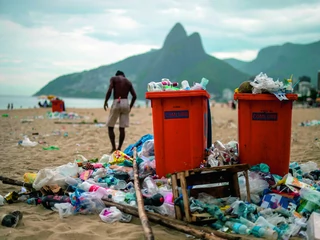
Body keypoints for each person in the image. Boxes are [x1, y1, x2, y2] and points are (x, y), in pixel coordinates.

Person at [104, 70, 137, 153]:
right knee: (122, 128)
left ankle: (113, 148)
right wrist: (130, 107)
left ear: (117, 75)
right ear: (123, 75)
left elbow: (110, 90)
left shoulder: (114, 78)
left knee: (110, 126)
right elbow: (134, 96)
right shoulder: (128, 82)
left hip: (117, 101)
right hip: (126, 102)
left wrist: (106, 101)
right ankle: (119, 148)